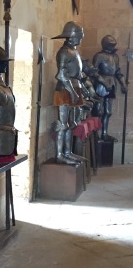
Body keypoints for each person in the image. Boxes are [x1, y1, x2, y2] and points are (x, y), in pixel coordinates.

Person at [52, 21, 85, 165]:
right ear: (72, 36)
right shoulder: (64, 52)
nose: (81, 38)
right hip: (64, 89)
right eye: (79, 35)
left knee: (72, 124)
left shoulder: (74, 51)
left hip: (74, 87)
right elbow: (61, 75)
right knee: (63, 124)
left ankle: (67, 152)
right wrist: (72, 92)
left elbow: (77, 74)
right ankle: (60, 155)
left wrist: (81, 88)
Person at [92, 35, 128, 140]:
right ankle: (96, 134)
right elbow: (93, 72)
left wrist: (123, 84)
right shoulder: (99, 56)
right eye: (111, 45)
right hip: (100, 84)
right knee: (98, 111)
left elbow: (117, 72)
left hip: (111, 83)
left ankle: (104, 133)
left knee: (108, 112)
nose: (112, 47)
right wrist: (103, 82)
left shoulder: (115, 57)